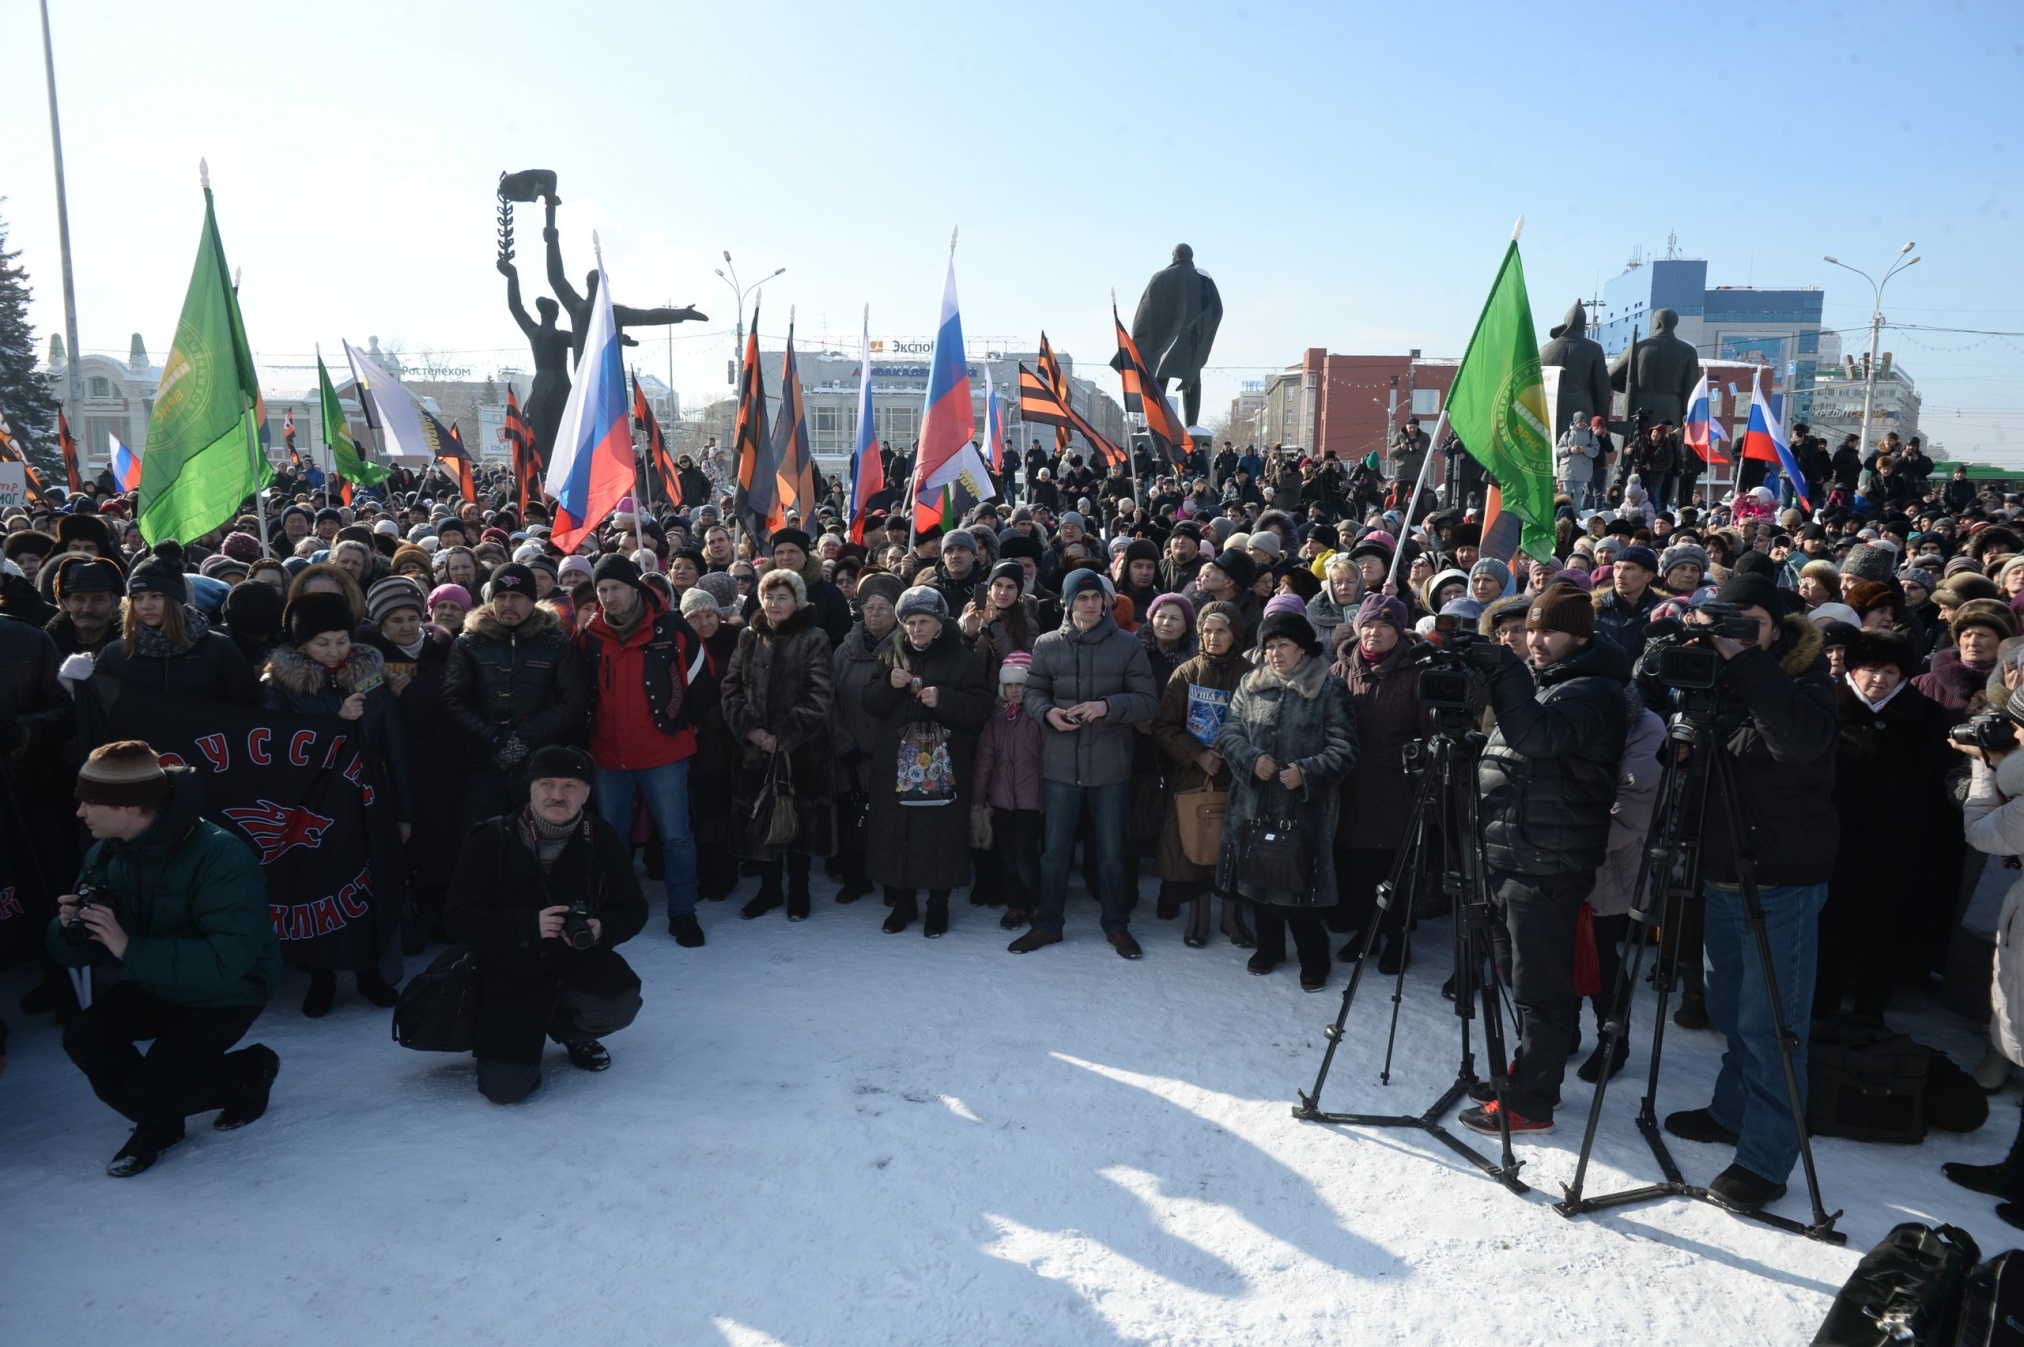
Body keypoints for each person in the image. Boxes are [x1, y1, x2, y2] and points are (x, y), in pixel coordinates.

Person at [1657, 571, 1839, 1214]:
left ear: (1777, 630)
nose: (1732, 637)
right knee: (1731, 1007)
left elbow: (1797, 744)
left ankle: (1765, 1158)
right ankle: (1731, 1111)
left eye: (1749, 625)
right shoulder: (1716, 678)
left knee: (1773, 1026)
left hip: (1781, 877)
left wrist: (1745, 660)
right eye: (1722, 624)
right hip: (1720, 869)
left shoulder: (1808, 683)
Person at [49, 741, 282, 1177]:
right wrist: (71, 927)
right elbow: (68, 953)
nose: (80, 812)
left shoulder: (221, 855)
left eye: (90, 801)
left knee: (143, 1096)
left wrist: (128, 948)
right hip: (156, 981)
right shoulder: (108, 852)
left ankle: (250, 1069)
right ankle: (162, 1120)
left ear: (129, 806)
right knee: (84, 1037)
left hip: (228, 992)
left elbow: (228, 960)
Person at [1463, 587, 1630, 1139]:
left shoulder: (1594, 690)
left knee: (1541, 987)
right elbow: (1518, 750)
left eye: (1546, 631)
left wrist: (1505, 670)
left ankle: (1532, 1102)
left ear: (1580, 635)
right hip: (1519, 850)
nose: (1533, 641)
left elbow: (1538, 737)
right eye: (1530, 630)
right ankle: (1528, 1074)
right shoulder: (1550, 681)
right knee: (1521, 976)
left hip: (1549, 859)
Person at [442, 746, 646, 1105]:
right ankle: (503, 1035)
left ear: (586, 793)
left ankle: (571, 1032)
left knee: (621, 1002)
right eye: (547, 784)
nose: (557, 795)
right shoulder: (491, 838)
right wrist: (527, 924)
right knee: (506, 1090)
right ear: (531, 788)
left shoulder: (602, 837)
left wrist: (602, 928)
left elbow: (633, 909)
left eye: (570, 786)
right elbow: (458, 917)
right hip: (509, 974)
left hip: (575, 961)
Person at [261, 591, 411, 1016]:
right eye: (322, 643)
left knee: (370, 885)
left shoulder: (371, 677)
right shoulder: (280, 684)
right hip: (314, 804)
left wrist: (403, 812)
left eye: (341, 641)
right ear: (301, 644)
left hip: (368, 799)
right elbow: (279, 746)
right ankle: (321, 976)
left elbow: (395, 749)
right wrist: (335, 723)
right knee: (317, 887)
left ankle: (369, 971)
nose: (334, 651)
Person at [1014, 569, 1159, 958]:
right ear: (1067, 602)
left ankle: (1116, 925)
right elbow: (1032, 693)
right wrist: (1048, 713)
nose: (1091, 604)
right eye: (1082, 597)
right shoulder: (1047, 644)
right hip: (1060, 765)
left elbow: (1148, 701)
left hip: (1110, 767)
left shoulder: (1128, 644)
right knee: (1054, 853)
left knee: (1111, 854)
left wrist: (1107, 706)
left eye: (1096, 597)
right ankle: (1048, 924)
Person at [1215, 610, 1358, 991]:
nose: (1275, 653)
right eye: (1270, 646)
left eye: (1284, 645)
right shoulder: (1251, 683)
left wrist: (1306, 771)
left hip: (1305, 807)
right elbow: (1229, 732)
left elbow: (1345, 748)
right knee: (1259, 876)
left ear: (1303, 648)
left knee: (1299, 885)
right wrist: (1251, 759)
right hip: (1253, 801)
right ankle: (1270, 948)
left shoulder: (1328, 687)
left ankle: (1314, 957)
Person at [1816, 631, 1953, 1022]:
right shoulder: (1826, 704)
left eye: (1890, 672)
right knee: (1829, 920)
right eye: (1871, 669)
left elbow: (1936, 780)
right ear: (1854, 669)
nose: (1879, 679)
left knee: (1884, 922)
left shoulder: (1926, 715)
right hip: (1832, 839)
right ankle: (1822, 1002)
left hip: (1897, 842)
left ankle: (1871, 1007)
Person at [577, 554, 709, 948]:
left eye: (616, 587)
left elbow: (702, 684)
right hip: (608, 756)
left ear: (635, 588)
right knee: (612, 838)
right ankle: (616, 909)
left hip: (663, 755)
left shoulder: (674, 627)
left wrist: (680, 724)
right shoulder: (590, 634)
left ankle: (683, 912)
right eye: (602, 590)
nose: (608, 597)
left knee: (676, 837)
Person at [860, 587, 992, 936]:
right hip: (897, 764)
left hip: (943, 765)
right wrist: (887, 684)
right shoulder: (890, 653)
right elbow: (869, 703)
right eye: (910, 622)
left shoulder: (961, 658)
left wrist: (944, 699)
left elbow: (980, 708)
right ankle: (903, 904)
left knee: (939, 836)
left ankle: (938, 905)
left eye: (924, 621)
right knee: (897, 833)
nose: (916, 629)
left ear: (939, 623)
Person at [722, 567, 836, 920]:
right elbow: (731, 687)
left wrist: (781, 737)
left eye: (782, 597)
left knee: (797, 818)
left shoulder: (814, 638)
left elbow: (819, 696)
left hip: (802, 750)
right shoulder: (748, 637)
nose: (773, 604)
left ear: (797, 601)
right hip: (754, 751)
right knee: (761, 818)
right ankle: (769, 890)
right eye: (768, 596)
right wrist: (751, 731)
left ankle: (799, 890)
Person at [440, 563, 591, 828]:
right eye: (501, 596)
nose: (508, 604)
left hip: (539, 764)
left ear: (532, 599)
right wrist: (494, 737)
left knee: (536, 837)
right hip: (482, 764)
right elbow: (454, 699)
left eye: (516, 596)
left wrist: (526, 737)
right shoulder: (468, 643)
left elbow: (573, 700)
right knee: (482, 840)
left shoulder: (557, 643)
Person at [1331, 595, 1426, 971]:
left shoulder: (1416, 672)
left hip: (1394, 789)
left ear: (1399, 632)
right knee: (1357, 867)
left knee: (1391, 868)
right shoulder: (1340, 669)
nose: (1374, 632)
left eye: (1384, 626)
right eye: (1368, 625)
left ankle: (1398, 939)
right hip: (1349, 785)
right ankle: (1365, 933)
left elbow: (1428, 734)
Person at [1151, 601, 1253, 947]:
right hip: (1195, 777)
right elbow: (1165, 726)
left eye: (1221, 630)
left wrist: (1239, 748)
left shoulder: (1252, 675)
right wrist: (1197, 754)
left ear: (1235, 633)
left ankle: (1232, 919)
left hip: (1239, 778)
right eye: (1207, 631)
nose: (1213, 637)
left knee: (1233, 847)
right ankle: (1198, 918)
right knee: (1196, 847)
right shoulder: (1186, 673)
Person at [91, 551, 260, 705]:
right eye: (137, 597)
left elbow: (245, 706)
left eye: (156, 596)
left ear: (176, 599)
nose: (146, 605)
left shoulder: (219, 648)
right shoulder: (114, 655)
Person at [831, 572, 902, 906]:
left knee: (890, 822)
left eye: (883, 607)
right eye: (870, 606)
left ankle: (891, 881)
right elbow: (829, 701)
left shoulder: (906, 649)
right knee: (852, 817)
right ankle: (855, 879)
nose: (875, 613)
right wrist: (842, 740)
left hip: (891, 754)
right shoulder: (844, 651)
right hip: (850, 753)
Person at [975, 650, 1044, 931]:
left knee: (1026, 855)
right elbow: (985, 760)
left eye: (1021, 685)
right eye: (1010, 685)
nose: (1015, 691)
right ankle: (1017, 904)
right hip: (1001, 799)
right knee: (1008, 857)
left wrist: (1046, 798)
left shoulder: (1038, 718)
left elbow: (1048, 760)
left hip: (1030, 801)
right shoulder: (997, 720)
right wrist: (979, 797)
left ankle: (1037, 901)